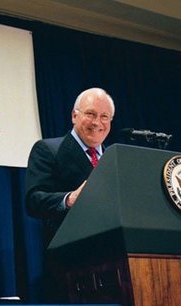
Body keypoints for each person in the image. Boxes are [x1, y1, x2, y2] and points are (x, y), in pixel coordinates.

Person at [25, 87, 115, 246]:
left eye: (104, 117)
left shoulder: (114, 160)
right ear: (75, 116)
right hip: (71, 253)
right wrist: (69, 199)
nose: (97, 122)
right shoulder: (48, 149)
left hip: (115, 248)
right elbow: (33, 201)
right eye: (90, 114)